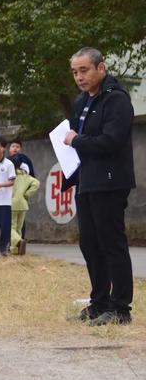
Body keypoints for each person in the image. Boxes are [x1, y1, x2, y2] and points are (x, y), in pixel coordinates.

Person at [64, 47, 135, 326]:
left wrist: (75, 141)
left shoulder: (116, 100)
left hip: (110, 181)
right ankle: (99, 303)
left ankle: (120, 308)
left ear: (101, 69)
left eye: (84, 70)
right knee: (90, 244)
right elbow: (71, 135)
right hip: (86, 181)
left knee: (111, 244)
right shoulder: (82, 102)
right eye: (75, 72)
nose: (79, 77)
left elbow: (111, 141)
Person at [9, 155, 40, 255]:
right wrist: (27, 194)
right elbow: (36, 183)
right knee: (19, 227)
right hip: (23, 204)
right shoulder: (26, 175)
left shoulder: (10, 176)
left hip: (12, 204)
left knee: (11, 227)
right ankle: (15, 250)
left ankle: (18, 241)